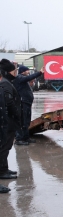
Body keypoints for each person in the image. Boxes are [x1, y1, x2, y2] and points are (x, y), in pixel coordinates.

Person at [0, 59, 21, 188]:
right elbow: (9, 103)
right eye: (14, 71)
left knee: (6, 147)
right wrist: (17, 114)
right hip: (8, 122)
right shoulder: (6, 84)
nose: (16, 73)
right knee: (4, 147)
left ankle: (4, 168)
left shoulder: (7, 82)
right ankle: (2, 170)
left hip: (8, 121)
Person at [12, 65, 44, 145]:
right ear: (23, 71)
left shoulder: (23, 79)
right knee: (22, 121)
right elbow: (28, 78)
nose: (28, 72)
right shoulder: (19, 77)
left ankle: (26, 138)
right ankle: (19, 139)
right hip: (23, 103)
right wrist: (39, 73)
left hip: (27, 103)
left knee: (26, 122)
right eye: (27, 70)